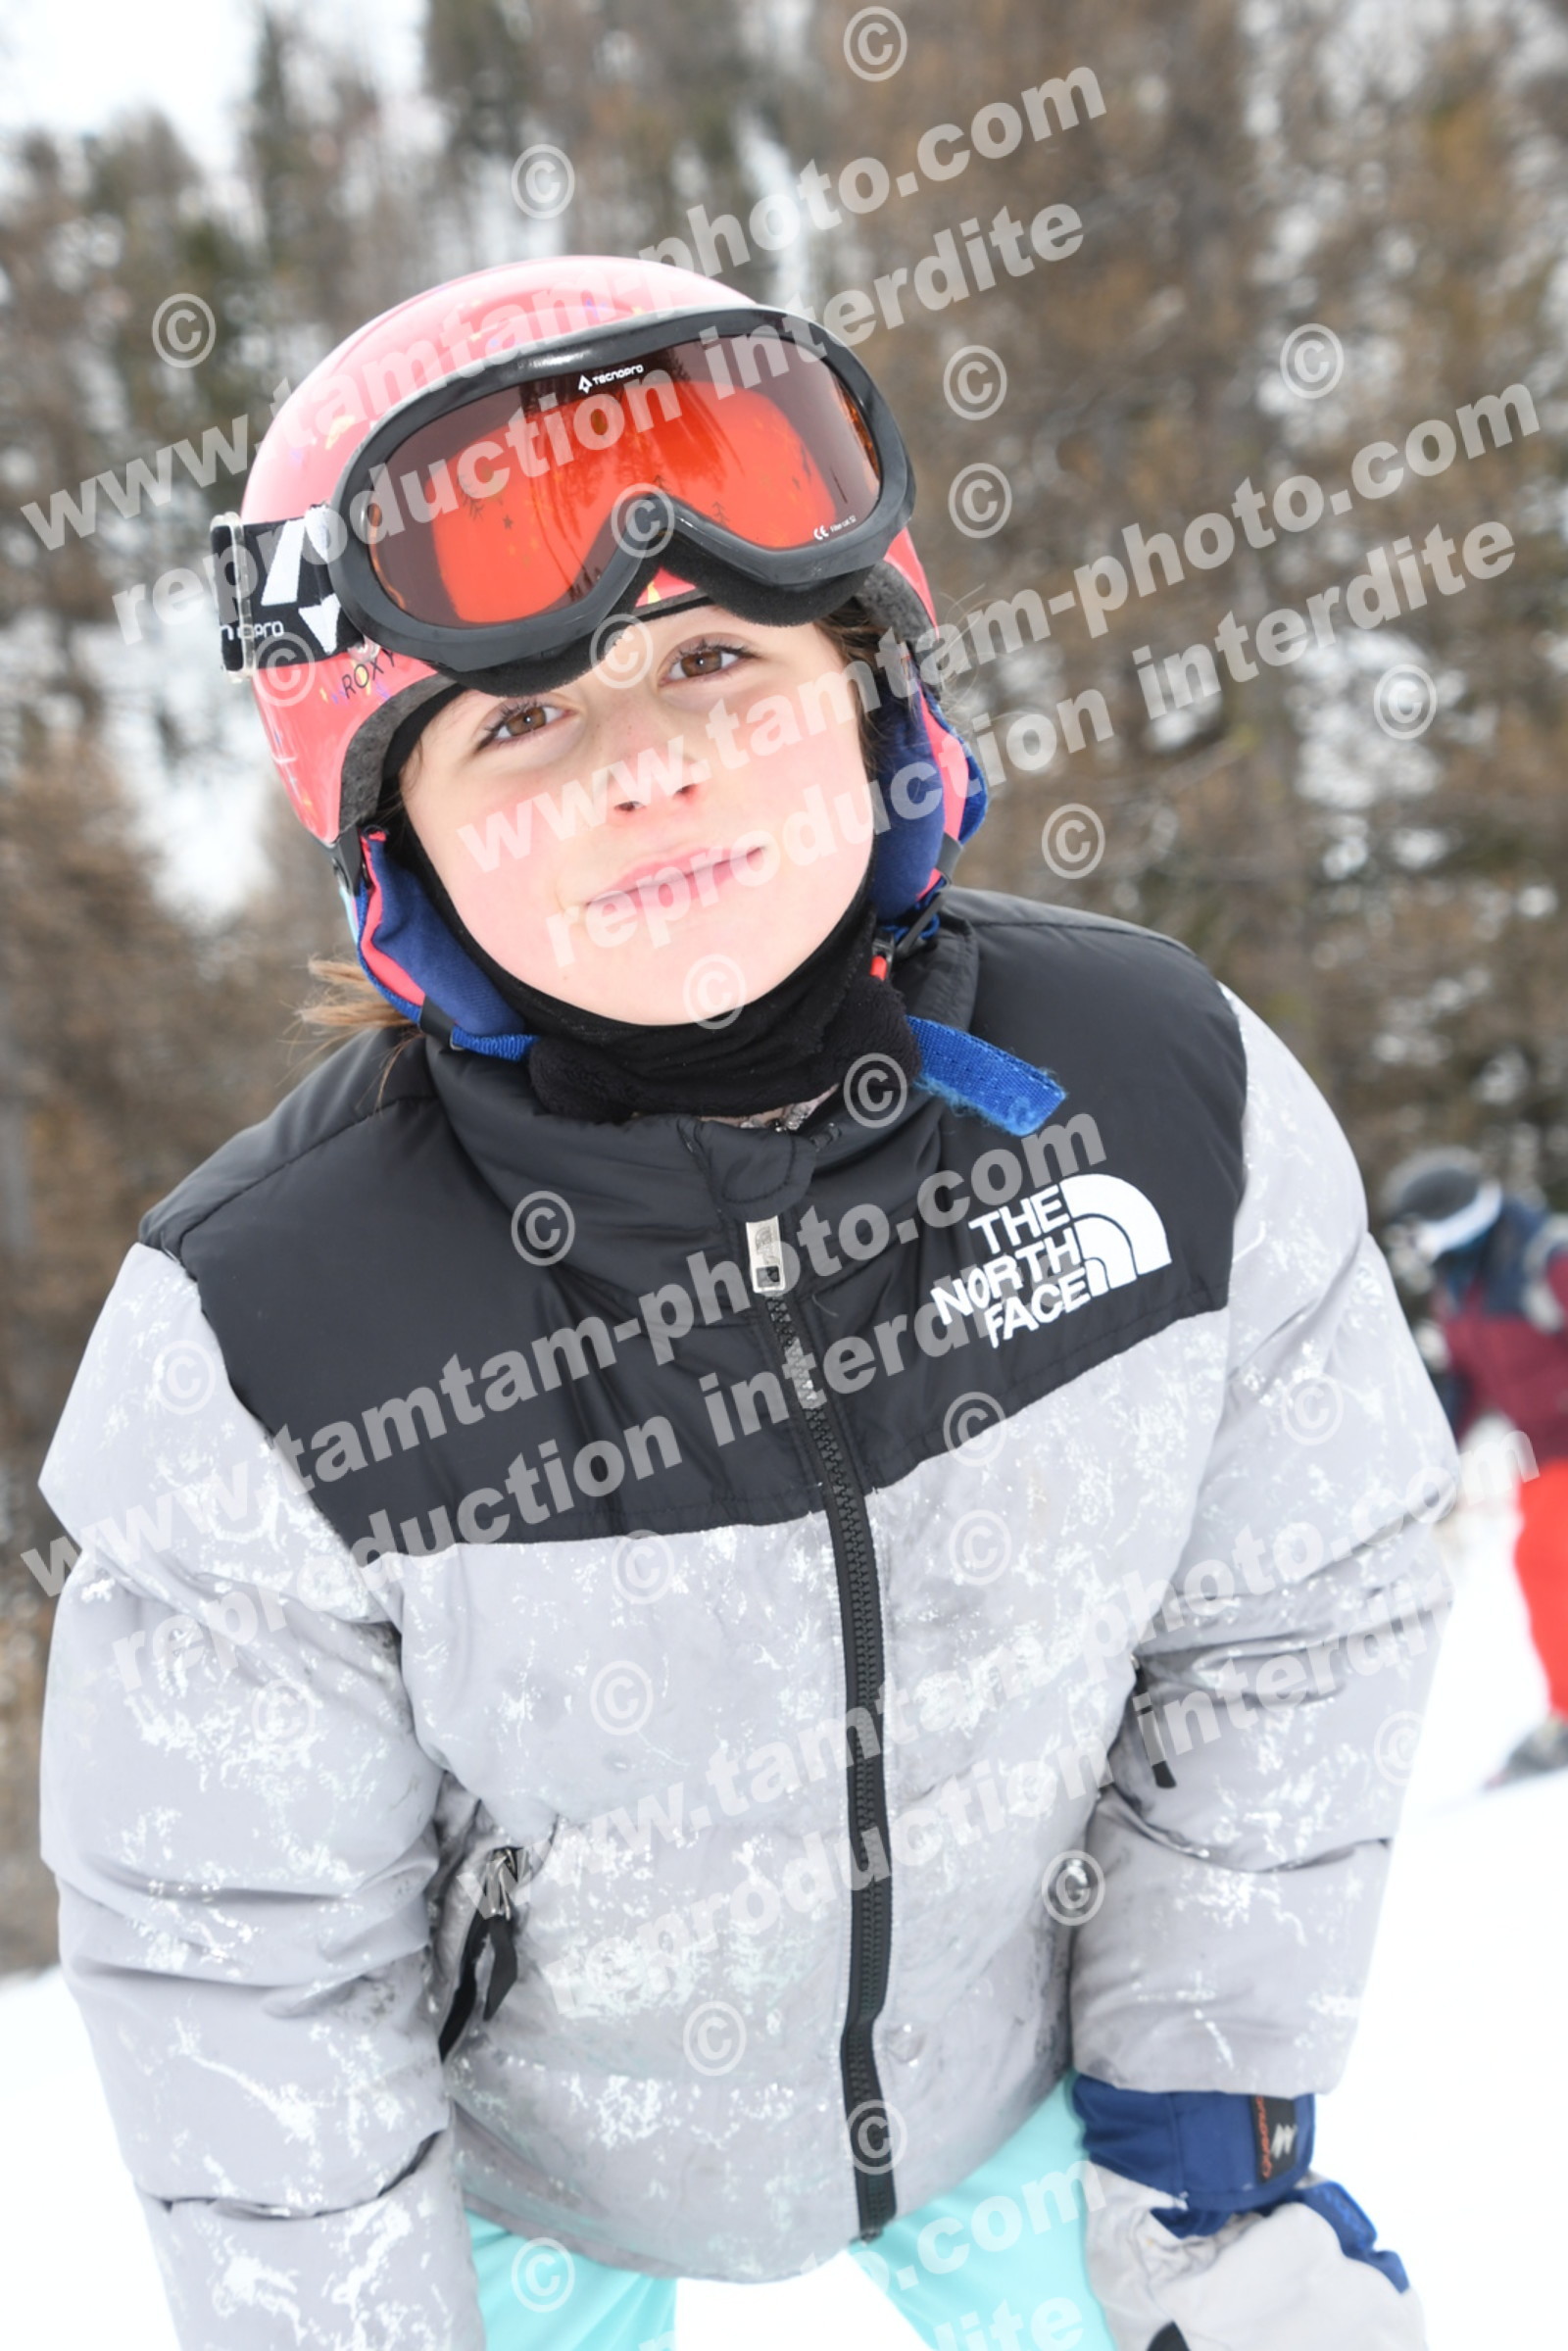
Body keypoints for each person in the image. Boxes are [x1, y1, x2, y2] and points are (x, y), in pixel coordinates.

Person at [37, 258, 1452, 2351]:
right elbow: (242, 1949)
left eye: (714, 657)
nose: (650, 766)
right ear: (394, 836)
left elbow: (1298, 1609)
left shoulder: (1160, 1097)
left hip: (1020, 2094)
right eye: (523, 718)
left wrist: (1192, 2121)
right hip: (526, 2186)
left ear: (872, 688)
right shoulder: (268, 1335)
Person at [1382, 1146, 1568, 1782]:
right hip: (1541, 1451)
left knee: (1543, 1558)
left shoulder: (1544, 1259)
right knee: (1543, 1564)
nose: (1413, 1246)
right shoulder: (1457, 1285)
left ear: (1451, 1219)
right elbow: (1464, 1381)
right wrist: (1429, 1454)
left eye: (1417, 1229)